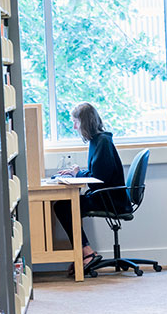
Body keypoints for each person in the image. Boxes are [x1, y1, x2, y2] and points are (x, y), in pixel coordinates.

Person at [54, 102, 131, 277]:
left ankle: (86, 252)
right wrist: (78, 173)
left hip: (110, 199)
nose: (74, 127)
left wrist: (78, 173)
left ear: (85, 122)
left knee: (63, 206)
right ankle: (85, 252)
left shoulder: (102, 142)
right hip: (106, 195)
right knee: (65, 206)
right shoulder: (99, 140)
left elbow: (98, 179)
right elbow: (98, 173)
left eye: (76, 122)